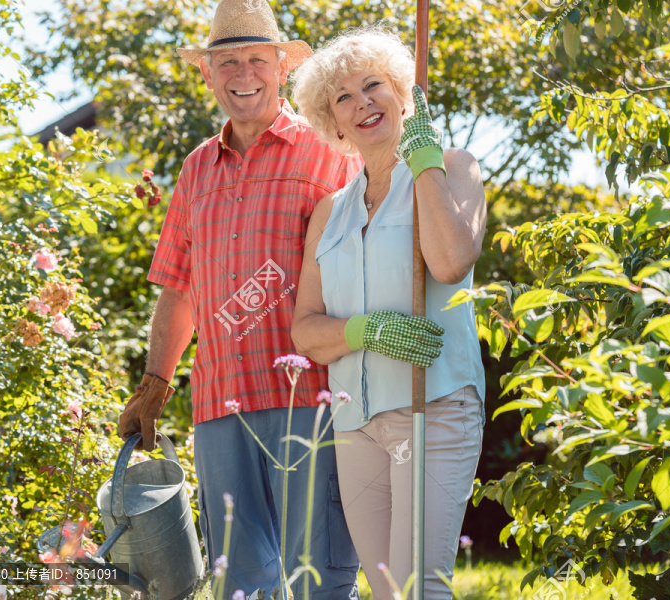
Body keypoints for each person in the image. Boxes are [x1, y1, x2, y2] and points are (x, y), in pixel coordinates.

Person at [117, 1, 362, 598]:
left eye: (257, 58)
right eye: (227, 61)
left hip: (314, 395)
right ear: (207, 73)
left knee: (319, 576)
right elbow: (180, 288)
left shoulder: (331, 151)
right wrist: (155, 382)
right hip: (220, 403)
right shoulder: (197, 168)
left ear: (282, 68)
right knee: (241, 584)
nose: (243, 73)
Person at [290, 27, 487, 600]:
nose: (362, 102)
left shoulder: (453, 166)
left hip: (435, 407)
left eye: (374, 85)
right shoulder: (329, 212)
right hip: (355, 425)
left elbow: (450, 264)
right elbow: (305, 331)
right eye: (344, 97)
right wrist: (366, 330)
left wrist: (423, 160)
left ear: (404, 93)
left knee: (419, 587)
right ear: (335, 122)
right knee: (385, 590)